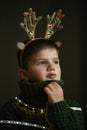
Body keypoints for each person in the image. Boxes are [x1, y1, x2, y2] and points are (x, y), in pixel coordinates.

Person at [0, 8, 85, 130]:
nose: (52, 67)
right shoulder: (12, 109)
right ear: (24, 74)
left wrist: (59, 106)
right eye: (41, 62)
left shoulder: (73, 107)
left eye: (56, 62)